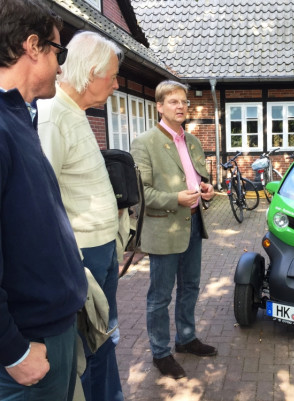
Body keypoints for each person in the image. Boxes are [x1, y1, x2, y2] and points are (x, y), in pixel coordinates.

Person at [0, 1, 88, 400]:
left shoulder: (19, 118)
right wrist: (14, 351)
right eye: (59, 52)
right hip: (29, 343)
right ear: (32, 46)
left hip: (51, 328)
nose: (61, 67)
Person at [37, 31, 125, 401]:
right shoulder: (53, 115)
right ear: (91, 74)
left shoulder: (75, 112)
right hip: (83, 257)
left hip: (101, 252)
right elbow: (44, 200)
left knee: (104, 340)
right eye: (113, 76)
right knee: (89, 349)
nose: (117, 84)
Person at [131, 80, 216, 379]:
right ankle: (161, 352)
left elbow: (199, 177)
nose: (180, 107)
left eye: (184, 102)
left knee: (191, 287)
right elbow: (142, 195)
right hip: (164, 228)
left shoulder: (192, 141)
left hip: (193, 223)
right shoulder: (144, 143)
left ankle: (186, 338)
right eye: (173, 102)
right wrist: (175, 199)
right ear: (159, 106)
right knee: (160, 296)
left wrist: (206, 188)